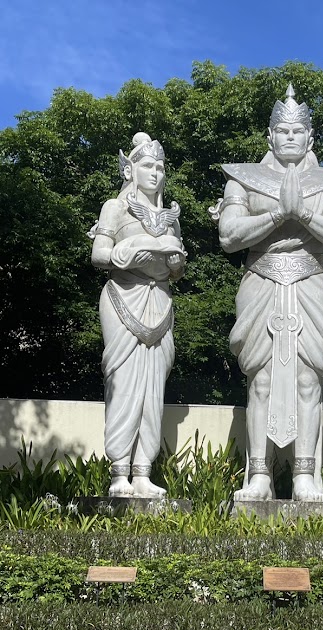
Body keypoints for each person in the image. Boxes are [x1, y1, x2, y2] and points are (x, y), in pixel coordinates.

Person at [212, 86, 323, 502]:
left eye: (298, 131)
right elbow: (229, 235)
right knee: (260, 380)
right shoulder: (243, 179)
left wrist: (305, 213)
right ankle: (258, 474)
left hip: (310, 281)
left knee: (309, 379)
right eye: (282, 130)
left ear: (309, 138)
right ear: (270, 136)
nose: (290, 137)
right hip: (261, 281)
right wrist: (280, 213)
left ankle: (304, 475)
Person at [90, 132, 186, 498]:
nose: (156, 173)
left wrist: (173, 258)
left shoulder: (170, 216)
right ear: (130, 169)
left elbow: (177, 267)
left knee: (152, 388)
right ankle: (119, 473)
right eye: (147, 165)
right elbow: (100, 255)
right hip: (122, 296)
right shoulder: (114, 208)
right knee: (124, 383)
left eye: (161, 167)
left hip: (159, 300)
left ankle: (143, 471)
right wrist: (142, 244)